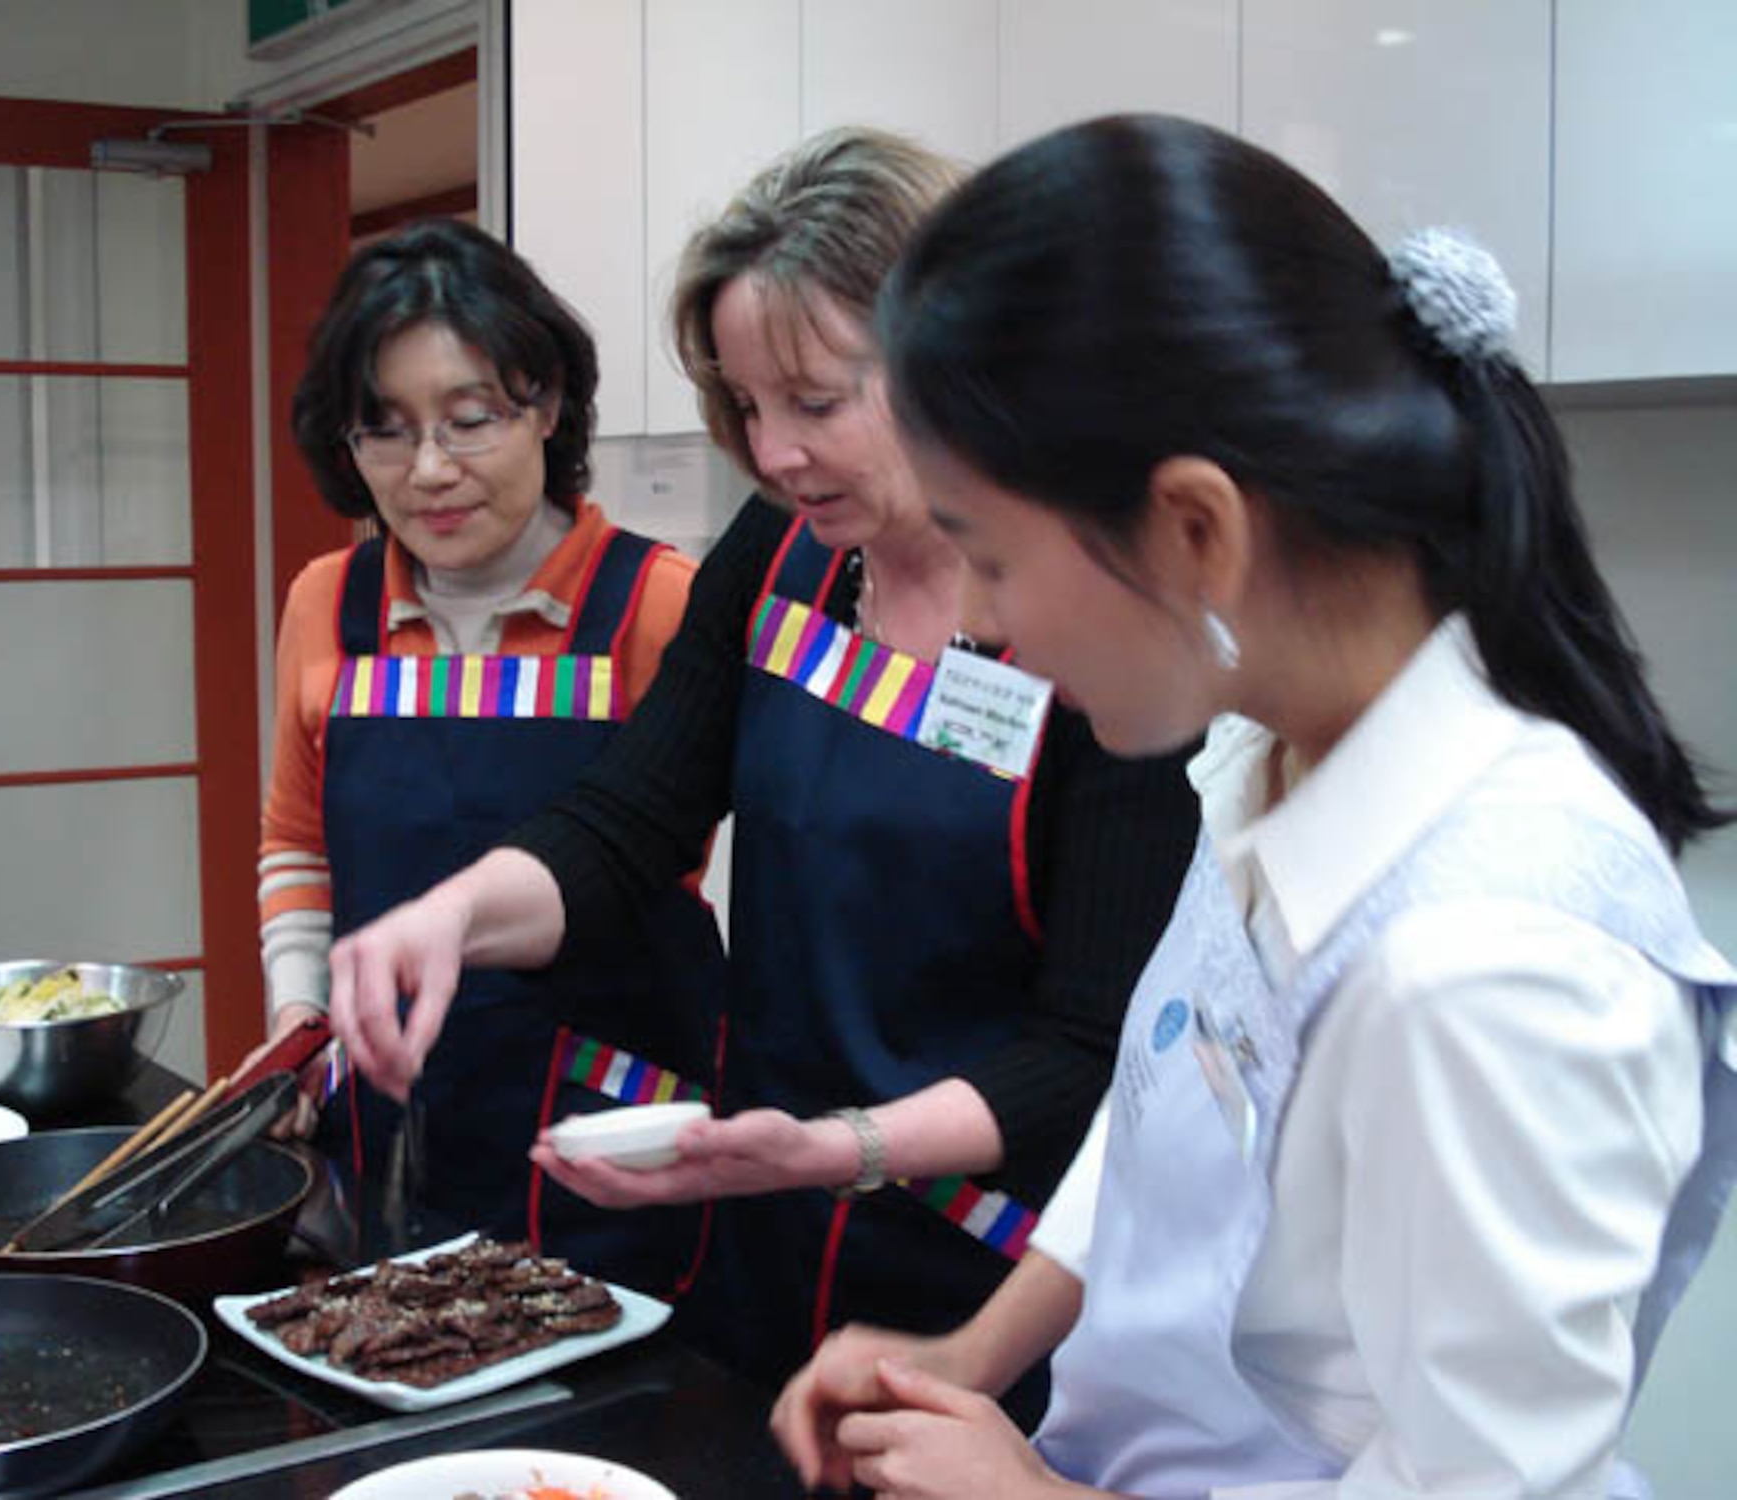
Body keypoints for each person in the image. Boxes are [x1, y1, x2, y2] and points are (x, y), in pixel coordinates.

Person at [771, 113, 1737, 1499]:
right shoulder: (1265, 755)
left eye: (988, 553)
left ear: (1195, 530)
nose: (979, 621)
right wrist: (970, 1355)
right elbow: (1169, 1105)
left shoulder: (1486, 959)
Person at [325, 129, 1202, 1404]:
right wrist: (451, 918)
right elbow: (632, 818)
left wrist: (844, 1146)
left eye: (815, 402)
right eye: (744, 405)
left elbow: (1091, 1049)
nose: (773, 452)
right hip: (768, 1231)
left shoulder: (1098, 630)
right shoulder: (784, 555)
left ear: (952, 355)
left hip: (994, 1281)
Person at [253, 219, 722, 1297]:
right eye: (384, 432)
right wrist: (300, 1024)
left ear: (546, 405)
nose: (429, 472)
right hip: (388, 1118)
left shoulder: (657, 605)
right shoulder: (328, 603)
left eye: (469, 422)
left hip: (609, 1131)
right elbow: (297, 845)